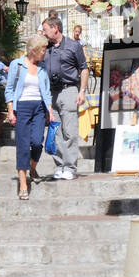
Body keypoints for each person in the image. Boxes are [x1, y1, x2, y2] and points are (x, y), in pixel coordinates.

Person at [4, 34, 56, 200]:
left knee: (37, 142)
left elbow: (46, 90)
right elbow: (9, 89)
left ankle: (32, 168)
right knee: (23, 145)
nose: (45, 53)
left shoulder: (42, 67)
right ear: (33, 50)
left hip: (39, 108)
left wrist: (50, 110)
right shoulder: (16, 65)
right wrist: (10, 110)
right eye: (42, 50)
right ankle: (23, 183)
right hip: (23, 108)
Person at [40, 14, 88, 180]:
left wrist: (82, 90)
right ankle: (60, 165)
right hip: (52, 92)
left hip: (69, 90)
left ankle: (70, 167)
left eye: (45, 30)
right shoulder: (46, 48)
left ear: (55, 28)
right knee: (55, 131)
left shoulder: (74, 46)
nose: (43, 33)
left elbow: (84, 68)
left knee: (70, 130)